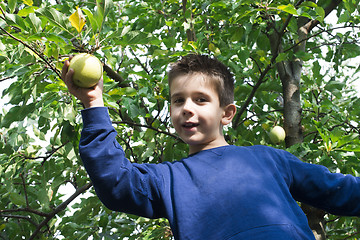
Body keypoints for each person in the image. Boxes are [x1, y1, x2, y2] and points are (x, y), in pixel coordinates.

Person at [62, 54, 360, 240]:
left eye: (200, 99)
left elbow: (339, 189)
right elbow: (116, 182)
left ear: (226, 113)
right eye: (178, 100)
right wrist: (93, 103)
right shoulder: (168, 179)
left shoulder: (269, 159)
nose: (187, 108)